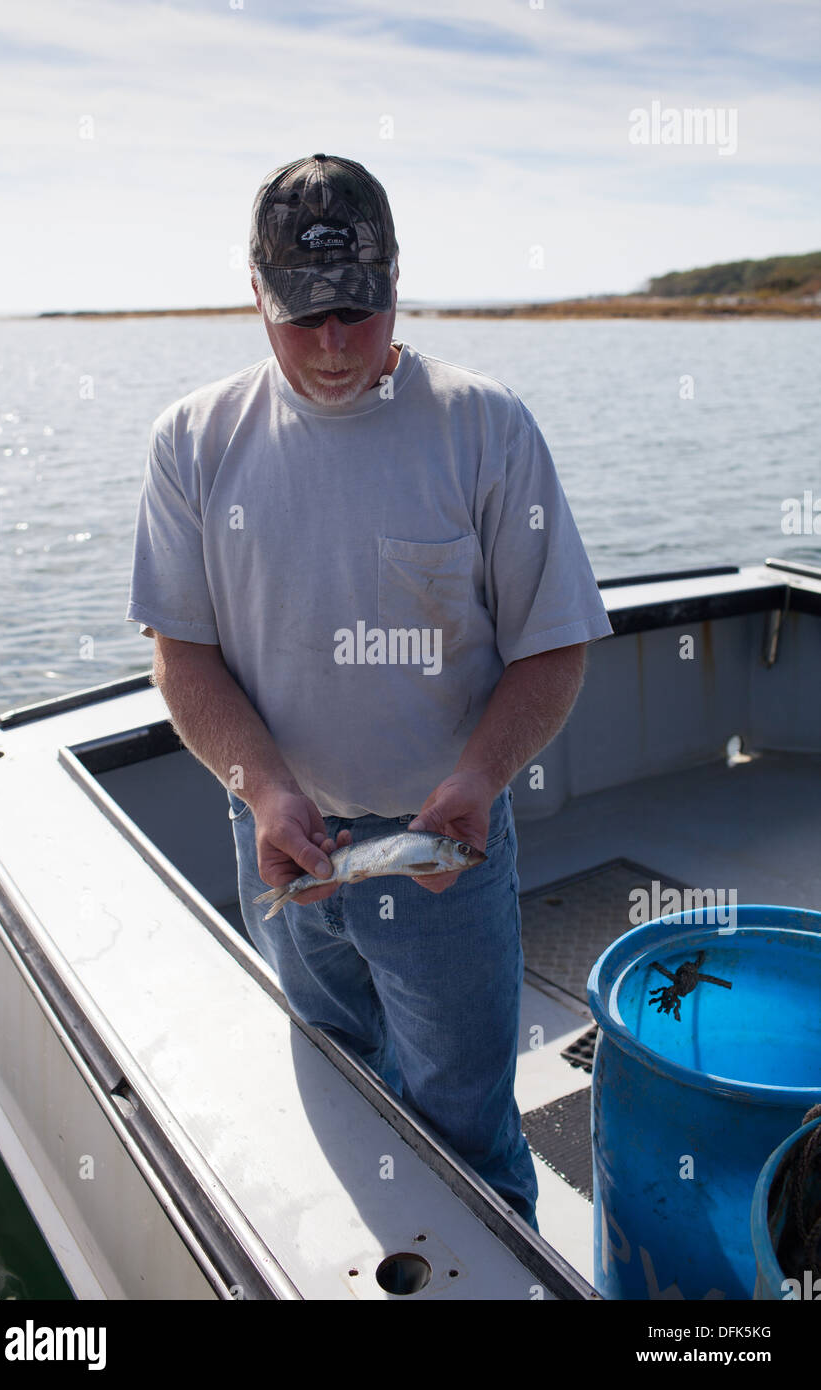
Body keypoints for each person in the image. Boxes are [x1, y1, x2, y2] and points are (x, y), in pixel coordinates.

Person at [126, 153, 613, 1230]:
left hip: (444, 854)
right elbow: (184, 652)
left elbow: (552, 646)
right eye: (305, 317)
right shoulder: (193, 442)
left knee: (467, 1129)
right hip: (278, 850)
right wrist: (262, 791)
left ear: (399, 280)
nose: (337, 343)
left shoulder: (485, 427)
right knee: (333, 1086)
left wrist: (479, 776)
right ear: (252, 292)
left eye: (360, 308)